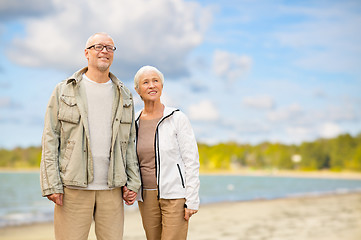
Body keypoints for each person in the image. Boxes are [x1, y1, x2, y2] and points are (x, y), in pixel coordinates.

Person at [40, 32, 141, 240]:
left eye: (109, 48)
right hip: (73, 188)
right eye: (98, 46)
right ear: (86, 53)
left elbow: (129, 142)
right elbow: (51, 139)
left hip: (112, 188)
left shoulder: (125, 94)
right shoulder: (63, 90)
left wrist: (133, 181)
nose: (104, 51)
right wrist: (52, 184)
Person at [130, 65, 200, 240]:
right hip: (146, 196)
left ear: (162, 86)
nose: (152, 85)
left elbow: (191, 160)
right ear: (138, 90)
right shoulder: (133, 122)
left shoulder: (177, 118)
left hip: (175, 195)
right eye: (145, 82)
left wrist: (192, 199)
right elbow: (129, 160)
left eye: (156, 81)